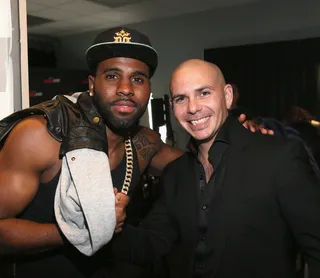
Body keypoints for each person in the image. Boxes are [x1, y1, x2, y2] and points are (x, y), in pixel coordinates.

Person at [0, 26, 269, 277]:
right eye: (113, 76)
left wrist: (237, 136)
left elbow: (198, 165)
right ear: (92, 84)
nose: (126, 89)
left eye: (137, 79)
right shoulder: (40, 136)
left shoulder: (144, 144)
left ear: (148, 89)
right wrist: (85, 230)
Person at [112, 59, 320, 278]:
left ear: (227, 96)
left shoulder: (279, 156)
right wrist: (109, 226)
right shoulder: (175, 174)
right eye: (181, 98)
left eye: (204, 93)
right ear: (173, 107)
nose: (193, 108)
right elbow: (150, 245)